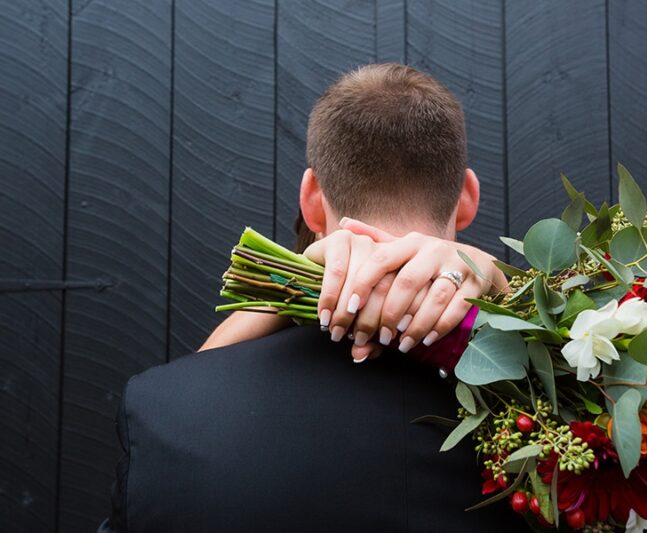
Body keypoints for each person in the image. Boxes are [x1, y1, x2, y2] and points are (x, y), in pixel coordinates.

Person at [98, 64, 526, 532]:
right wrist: (509, 288)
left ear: (310, 199)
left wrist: (274, 300)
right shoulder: (578, 393)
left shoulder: (164, 410)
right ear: (467, 197)